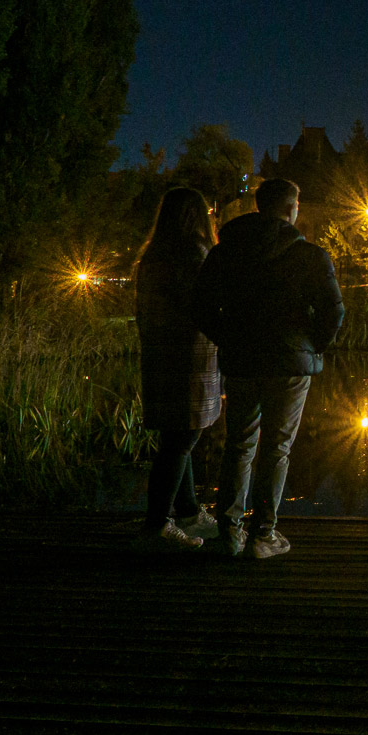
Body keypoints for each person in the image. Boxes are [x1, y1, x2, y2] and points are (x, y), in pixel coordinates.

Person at [194, 177, 344, 559]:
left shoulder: (225, 252)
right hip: (292, 363)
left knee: (239, 444)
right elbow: (333, 310)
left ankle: (229, 532)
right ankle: (264, 535)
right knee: (277, 447)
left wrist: (227, 337)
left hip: (243, 359)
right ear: (292, 209)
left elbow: (203, 305)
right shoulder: (310, 255)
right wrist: (314, 345)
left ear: (258, 206)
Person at [132, 187, 222, 553]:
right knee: (182, 439)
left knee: (176, 435)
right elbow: (206, 306)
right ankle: (157, 525)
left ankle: (187, 511)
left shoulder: (152, 256)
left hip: (159, 356)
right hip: (191, 358)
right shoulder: (195, 254)